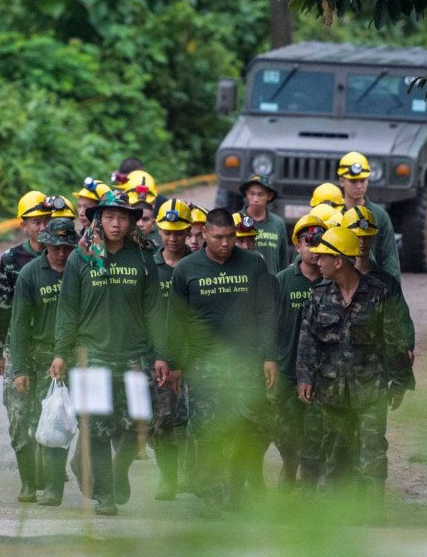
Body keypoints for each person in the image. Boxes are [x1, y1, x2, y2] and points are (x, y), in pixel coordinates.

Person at [50, 189, 167, 516]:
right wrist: (61, 352)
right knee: (97, 427)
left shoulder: (143, 257)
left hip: (134, 356)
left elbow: (155, 307)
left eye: (123, 217)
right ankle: (105, 495)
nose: (116, 223)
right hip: (92, 358)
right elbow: (68, 308)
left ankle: (117, 473)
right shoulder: (81, 257)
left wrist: (161, 354)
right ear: (99, 218)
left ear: (131, 221)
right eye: (110, 216)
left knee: (137, 423)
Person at [167, 208, 279, 518]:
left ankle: (238, 489)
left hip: (246, 360)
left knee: (249, 427)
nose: (226, 244)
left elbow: (266, 312)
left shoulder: (254, 264)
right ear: (203, 234)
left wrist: (269, 356)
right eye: (218, 238)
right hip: (204, 364)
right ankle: (211, 495)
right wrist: (174, 362)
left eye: (230, 237)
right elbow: (176, 319)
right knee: (207, 430)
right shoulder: (187, 269)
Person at [295, 226, 414, 507]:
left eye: (323, 256)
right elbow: (308, 339)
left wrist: (399, 383)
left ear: (339, 261)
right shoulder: (319, 295)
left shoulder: (378, 293)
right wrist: (304, 377)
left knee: (372, 449)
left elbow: (393, 341)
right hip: (331, 390)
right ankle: (339, 513)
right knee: (335, 449)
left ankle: (373, 510)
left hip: (370, 388)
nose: (317, 260)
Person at [9, 217, 78, 506]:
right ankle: (31, 483)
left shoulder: (81, 271)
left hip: (74, 357)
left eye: (66, 247)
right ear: (46, 244)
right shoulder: (30, 274)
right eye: (55, 247)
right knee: (33, 420)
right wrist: (21, 368)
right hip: (39, 358)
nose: (60, 253)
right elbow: (20, 323)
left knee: (59, 421)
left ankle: (53, 488)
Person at [0, 191, 53, 499]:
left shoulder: (61, 256)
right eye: (35, 222)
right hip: (17, 347)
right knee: (18, 418)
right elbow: (2, 304)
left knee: (48, 415)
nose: (41, 228)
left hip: (49, 349)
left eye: (45, 221)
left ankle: (46, 475)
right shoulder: (11, 259)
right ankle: (28, 481)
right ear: (24, 225)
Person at [274, 215, 327, 490]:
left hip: (321, 372)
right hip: (286, 369)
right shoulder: (283, 281)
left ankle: (308, 486)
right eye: (308, 241)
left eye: (319, 242)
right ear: (297, 246)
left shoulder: (331, 281)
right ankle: (289, 465)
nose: (314, 248)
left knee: (316, 432)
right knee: (285, 430)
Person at [150, 199, 193, 501]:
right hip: (160, 357)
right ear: (159, 230)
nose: (173, 238)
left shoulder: (199, 265)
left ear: (189, 231)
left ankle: (194, 476)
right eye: (167, 232)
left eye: (179, 232)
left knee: (194, 419)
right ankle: (168, 478)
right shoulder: (148, 268)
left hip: (195, 355)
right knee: (163, 419)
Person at [342, 206, 416, 363]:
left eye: (366, 236)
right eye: (357, 236)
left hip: (374, 369)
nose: (362, 242)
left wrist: (407, 347)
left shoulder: (386, 282)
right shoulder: (333, 280)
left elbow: (401, 316)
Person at [337, 152, 401, 280]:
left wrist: (393, 293)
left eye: (363, 180)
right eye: (353, 181)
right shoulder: (334, 214)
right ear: (342, 181)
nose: (359, 186)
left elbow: (388, 258)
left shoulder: (379, 215)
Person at [238, 174, 289, 274]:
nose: (255, 199)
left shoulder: (278, 223)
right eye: (252, 194)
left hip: (271, 283)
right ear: (246, 194)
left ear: (269, 196)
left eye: (260, 194)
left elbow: (283, 259)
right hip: (243, 283)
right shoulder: (236, 220)